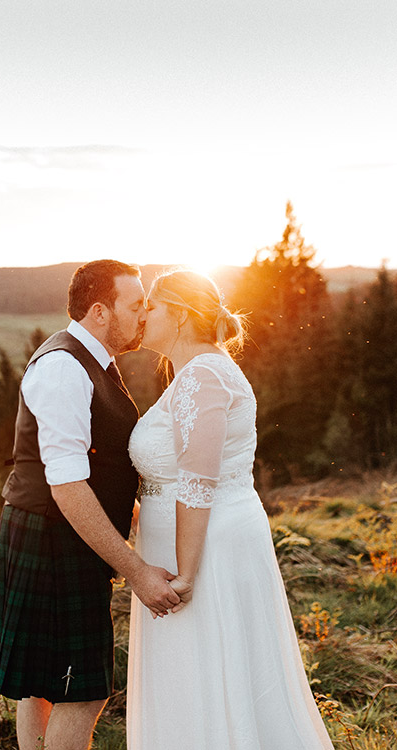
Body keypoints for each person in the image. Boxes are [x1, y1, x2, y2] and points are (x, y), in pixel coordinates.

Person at [0, 259, 179, 750]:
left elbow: (96, 464)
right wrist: (137, 570)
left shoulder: (92, 360)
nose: (145, 314)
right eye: (136, 305)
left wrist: (133, 512)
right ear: (99, 311)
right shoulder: (65, 368)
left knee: (45, 682)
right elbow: (66, 486)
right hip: (53, 539)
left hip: (59, 535)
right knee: (82, 692)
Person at [126, 269, 334, 749]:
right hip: (198, 538)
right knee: (204, 671)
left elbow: (197, 483)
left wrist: (186, 575)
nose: (143, 314)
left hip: (205, 549)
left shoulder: (201, 375)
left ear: (177, 314)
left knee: (208, 668)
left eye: (151, 307)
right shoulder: (198, 371)